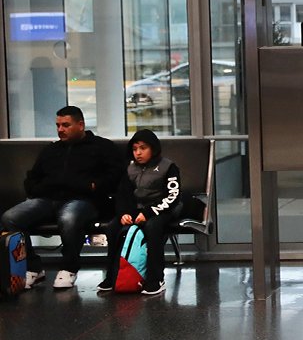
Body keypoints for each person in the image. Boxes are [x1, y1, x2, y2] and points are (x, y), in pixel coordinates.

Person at [0, 106, 123, 289]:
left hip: (85, 200)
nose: (60, 130)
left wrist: (92, 186)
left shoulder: (101, 147)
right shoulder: (52, 150)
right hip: (47, 199)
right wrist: (38, 190)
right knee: (10, 218)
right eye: (58, 125)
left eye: (65, 125)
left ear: (80, 125)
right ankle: (33, 267)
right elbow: (32, 178)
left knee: (69, 218)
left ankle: (69, 267)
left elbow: (115, 176)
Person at [98, 129, 182, 296]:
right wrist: (124, 213)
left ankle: (156, 279)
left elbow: (173, 196)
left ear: (153, 148)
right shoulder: (130, 168)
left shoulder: (168, 167)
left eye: (143, 148)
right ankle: (112, 276)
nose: (138, 153)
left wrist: (150, 212)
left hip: (165, 208)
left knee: (152, 227)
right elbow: (123, 194)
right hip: (138, 209)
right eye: (135, 149)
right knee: (113, 227)